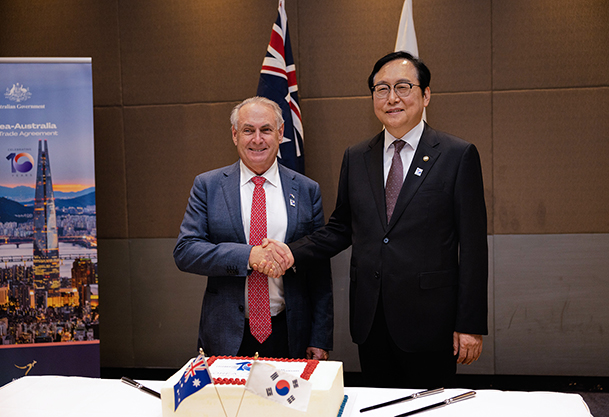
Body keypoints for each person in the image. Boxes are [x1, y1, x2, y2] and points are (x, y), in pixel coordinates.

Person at [260, 52, 488, 388]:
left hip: (430, 322)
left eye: (403, 87)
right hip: (371, 320)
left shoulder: (457, 155)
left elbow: (472, 246)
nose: (392, 98)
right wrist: (292, 252)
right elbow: (341, 227)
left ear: (426, 95)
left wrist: (469, 323)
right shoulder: (356, 156)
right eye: (381, 89)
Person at [173, 96, 333, 360]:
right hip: (226, 333)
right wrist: (249, 256)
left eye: (266, 130)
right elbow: (186, 251)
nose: (257, 139)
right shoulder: (208, 186)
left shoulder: (306, 190)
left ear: (280, 133)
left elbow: (318, 268)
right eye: (248, 130)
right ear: (235, 135)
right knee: (228, 402)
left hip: (290, 331)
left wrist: (320, 337)